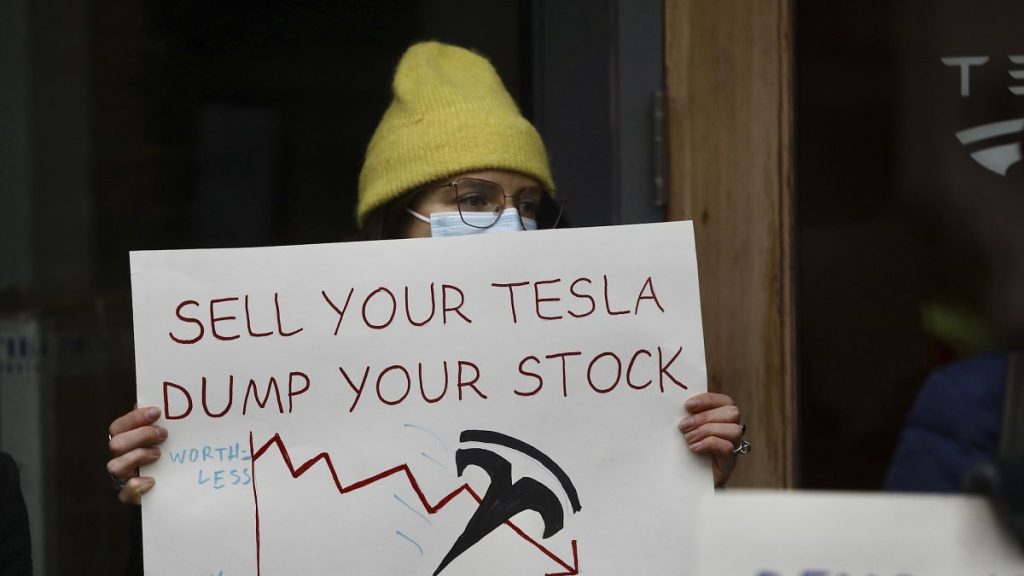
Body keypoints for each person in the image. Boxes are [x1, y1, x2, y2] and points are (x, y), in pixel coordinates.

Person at [106, 41, 747, 507]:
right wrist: (176, 478)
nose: (511, 224)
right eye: (473, 200)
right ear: (396, 218)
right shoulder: (301, 366)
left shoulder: (594, 361)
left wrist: (697, 474)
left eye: (527, 206)